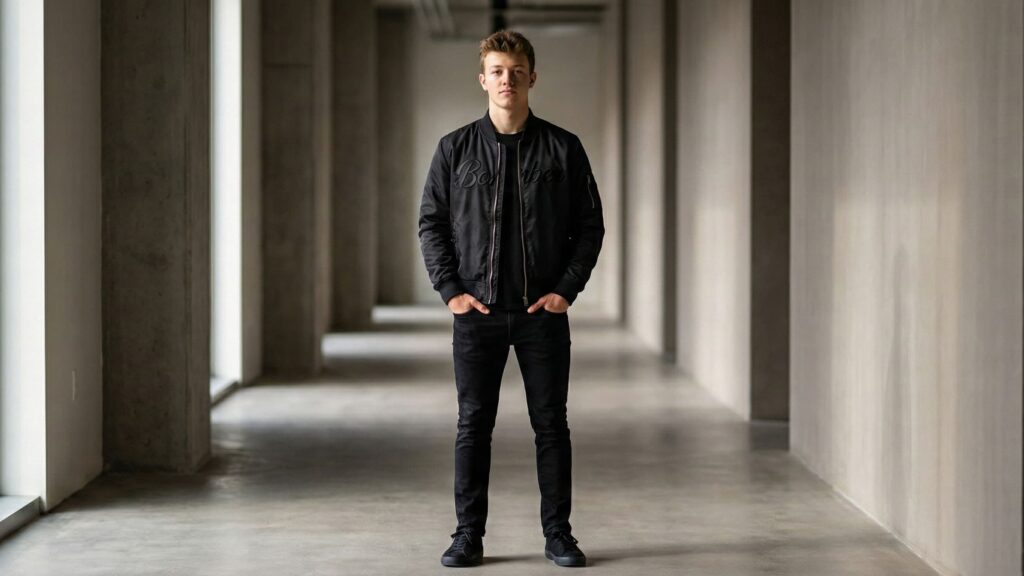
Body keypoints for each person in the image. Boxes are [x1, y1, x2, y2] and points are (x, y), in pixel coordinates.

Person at [418, 29, 604, 568]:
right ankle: (467, 536)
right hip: (477, 314)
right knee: (473, 425)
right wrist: (451, 291)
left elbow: (589, 227)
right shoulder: (454, 149)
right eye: (497, 71)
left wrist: (566, 290)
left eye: (516, 71)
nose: (507, 80)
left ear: (532, 78)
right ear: (483, 80)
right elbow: (432, 224)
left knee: (551, 425)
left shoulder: (563, 148)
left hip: (540, 314)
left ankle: (559, 535)